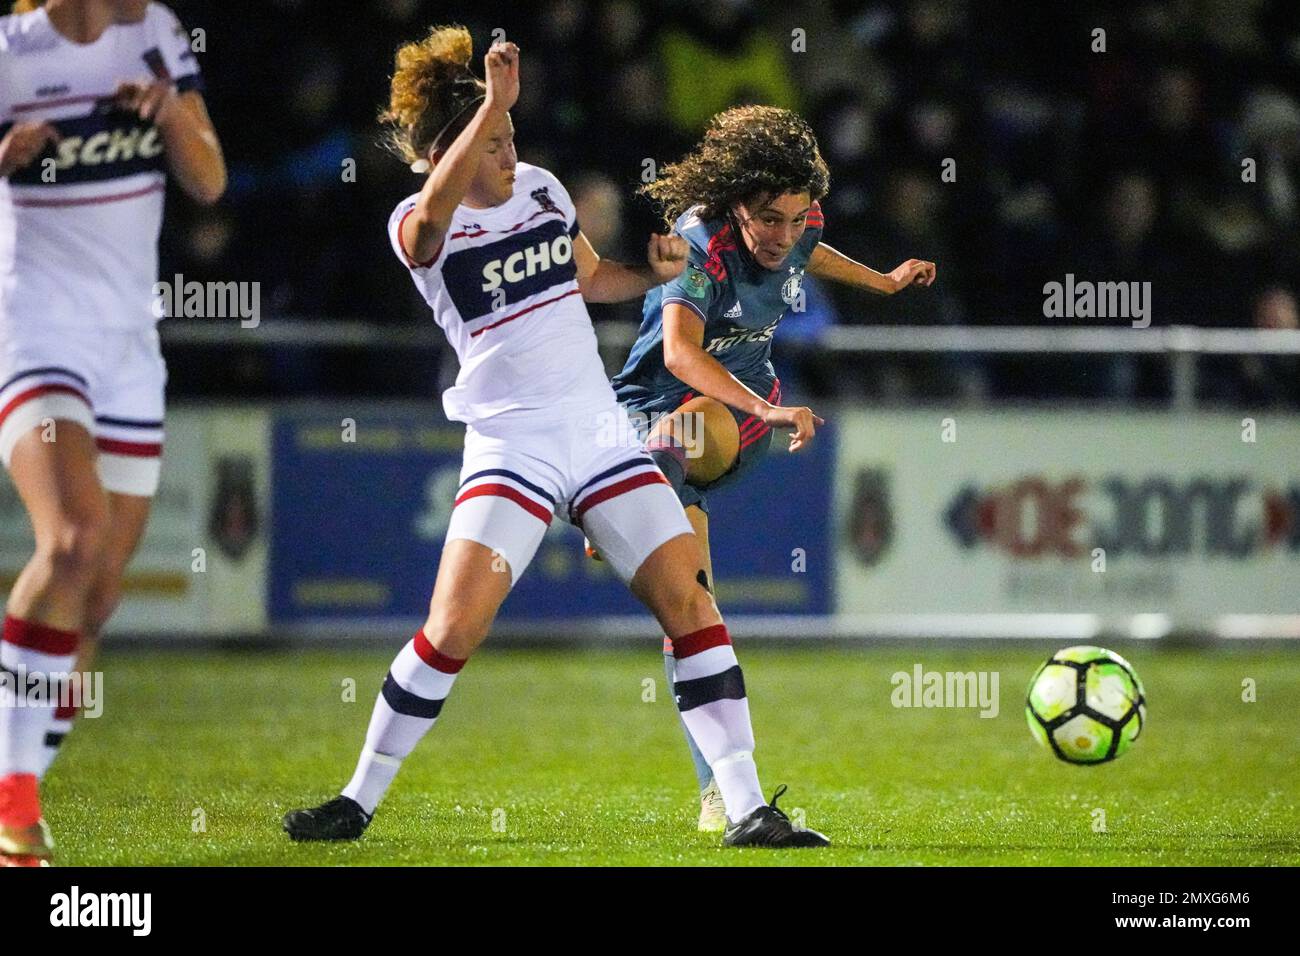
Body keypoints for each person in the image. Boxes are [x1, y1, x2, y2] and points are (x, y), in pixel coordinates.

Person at [282, 27, 828, 850]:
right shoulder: (417, 224)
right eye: (493, 142)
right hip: (512, 445)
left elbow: (591, 278)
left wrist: (654, 271)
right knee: (453, 629)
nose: (509, 153)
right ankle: (356, 800)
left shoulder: (540, 189)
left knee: (691, 603)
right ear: (446, 153)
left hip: (600, 432)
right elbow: (432, 218)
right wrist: (492, 104)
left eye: (509, 137)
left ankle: (749, 808)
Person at [607, 105, 935, 830]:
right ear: (734, 202)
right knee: (691, 609)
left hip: (731, 418)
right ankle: (720, 795)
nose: (782, 234)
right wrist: (776, 407)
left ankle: (627, 495)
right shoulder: (697, 244)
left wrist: (881, 282)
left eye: (796, 216)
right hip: (661, 408)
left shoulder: (799, 223)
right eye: (767, 218)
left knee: (686, 440)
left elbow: (809, 252)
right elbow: (679, 356)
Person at [0, 0, 224, 866]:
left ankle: (20, 775)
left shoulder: (157, 33)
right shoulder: (14, 52)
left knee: (94, 602)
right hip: (35, 334)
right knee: (71, 541)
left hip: (131, 349)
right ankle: (15, 806)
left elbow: (208, 181)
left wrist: (169, 109)